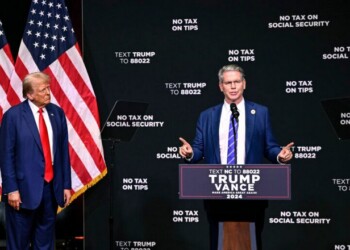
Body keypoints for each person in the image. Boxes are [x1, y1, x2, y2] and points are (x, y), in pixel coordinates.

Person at [179, 64, 293, 250]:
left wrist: (280, 155)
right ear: (221, 86)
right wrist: (190, 153)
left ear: (244, 84)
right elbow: (198, 149)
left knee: (252, 241)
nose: (233, 86)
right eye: (228, 82)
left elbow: (269, 147)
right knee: (219, 242)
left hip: (252, 191)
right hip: (217, 192)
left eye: (237, 82)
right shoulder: (207, 116)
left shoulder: (261, 113)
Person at [0, 72, 71, 250]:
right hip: (22, 193)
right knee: (18, 245)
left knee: (45, 244)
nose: (48, 92)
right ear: (29, 94)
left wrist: (65, 185)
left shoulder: (57, 113)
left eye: (48, 88)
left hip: (51, 189)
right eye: (43, 90)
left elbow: (63, 152)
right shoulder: (13, 116)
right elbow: (6, 155)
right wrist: (11, 190)